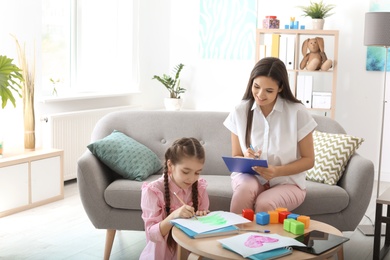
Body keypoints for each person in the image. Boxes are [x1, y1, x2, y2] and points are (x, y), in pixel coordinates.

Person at [223, 57, 317, 214]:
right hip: (250, 178)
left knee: (265, 203)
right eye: (256, 86)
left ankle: (261, 240)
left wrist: (277, 171)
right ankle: (234, 237)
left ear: (280, 88)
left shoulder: (297, 112)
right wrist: (247, 156)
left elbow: (309, 160)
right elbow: (236, 155)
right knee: (245, 190)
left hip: (288, 182)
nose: (260, 95)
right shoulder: (240, 111)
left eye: (269, 90)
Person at [140, 137, 210, 260]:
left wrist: (202, 216)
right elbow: (152, 234)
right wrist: (173, 216)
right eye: (185, 171)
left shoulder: (199, 188)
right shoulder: (153, 192)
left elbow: (204, 224)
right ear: (170, 165)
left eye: (197, 172)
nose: (192, 178)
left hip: (188, 254)